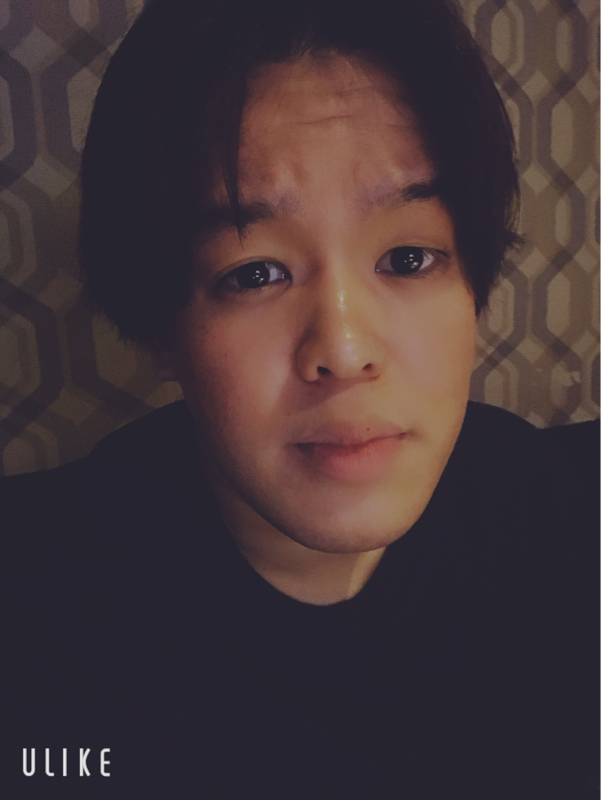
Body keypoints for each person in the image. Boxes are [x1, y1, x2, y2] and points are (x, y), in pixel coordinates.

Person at [2, 0, 598, 797]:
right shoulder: (41, 621)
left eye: (409, 258)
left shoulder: (551, 512)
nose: (343, 351)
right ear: (161, 330)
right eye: (255, 273)